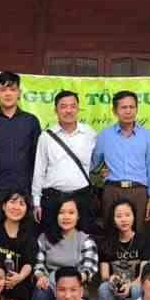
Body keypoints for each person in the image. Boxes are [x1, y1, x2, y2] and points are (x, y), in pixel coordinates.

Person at [0, 71, 42, 225]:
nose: (8, 94)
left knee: (23, 233)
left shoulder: (31, 121)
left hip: (23, 189)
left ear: (19, 93)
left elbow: (37, 160)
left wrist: (36, 193)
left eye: (12, 89)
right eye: (3, 89)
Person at [30, 197, 99, 300]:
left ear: (78, 216)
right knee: (40, 293)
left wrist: (70, 284)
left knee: (73, 295)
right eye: (61, 212)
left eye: (71, 213)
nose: (66, 217)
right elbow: (38, 264)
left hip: (75, 285)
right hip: (51, 285)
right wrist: (41, 276)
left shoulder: (85, 240)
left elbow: (89, 269)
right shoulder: (45, 238)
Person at [91, 90, 150, 237]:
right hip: (112, 190)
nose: (128, 111)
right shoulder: (105, 135)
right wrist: (101, 174)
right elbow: (94, 165)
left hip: (139, 192)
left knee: (139, 234)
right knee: (111, 234)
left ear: (137, 109)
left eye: (132, 107)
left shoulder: (147, 135)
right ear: (115, 111)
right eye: (123, 107)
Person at [32, 90, 98, 232]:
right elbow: (39, 170)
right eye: (63, 106)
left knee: (83, 239)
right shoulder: (46, 137)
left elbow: (96, 163)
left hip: (82, 198)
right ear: (55, 110)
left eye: (73, 106)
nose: (68, 110)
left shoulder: (89, 134)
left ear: (78, 109)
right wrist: (36, 201)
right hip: (53, 198)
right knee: (52, 239)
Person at [97, 200, 150, 300]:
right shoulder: (106, 243)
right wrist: (113, 281)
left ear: (134, 216)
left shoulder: (144, 240)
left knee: (136, 289)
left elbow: (143, 276)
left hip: (137, 284)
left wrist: (130, 285)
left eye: (127, 215)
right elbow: (105, 276)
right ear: (113, 219)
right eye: (119, 216)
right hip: (116, 285)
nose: (124, 219)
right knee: (104, 288)